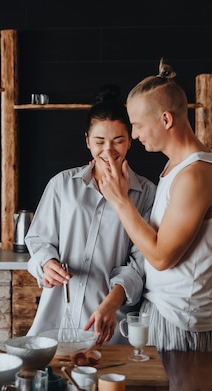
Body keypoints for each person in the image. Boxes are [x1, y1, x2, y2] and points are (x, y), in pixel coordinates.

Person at [99, 60, 212, 352]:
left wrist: (120, 201)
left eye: (137, 125)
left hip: (180, 320)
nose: (134, 135)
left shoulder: (195, 175)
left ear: (166, 120)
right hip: (164, 312)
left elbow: (161, 257)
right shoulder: (177, 166)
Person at [24, 85, 156, 345]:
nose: (108, 150)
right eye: (99, 141)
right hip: (56, 320)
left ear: (130, 139)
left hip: (109, 323)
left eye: (118, 140)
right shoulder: (62, 185)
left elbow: (140, 263)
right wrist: (46, 263)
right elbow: (38, 239)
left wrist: (111, 302)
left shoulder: (146, 194)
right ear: (87, 140)